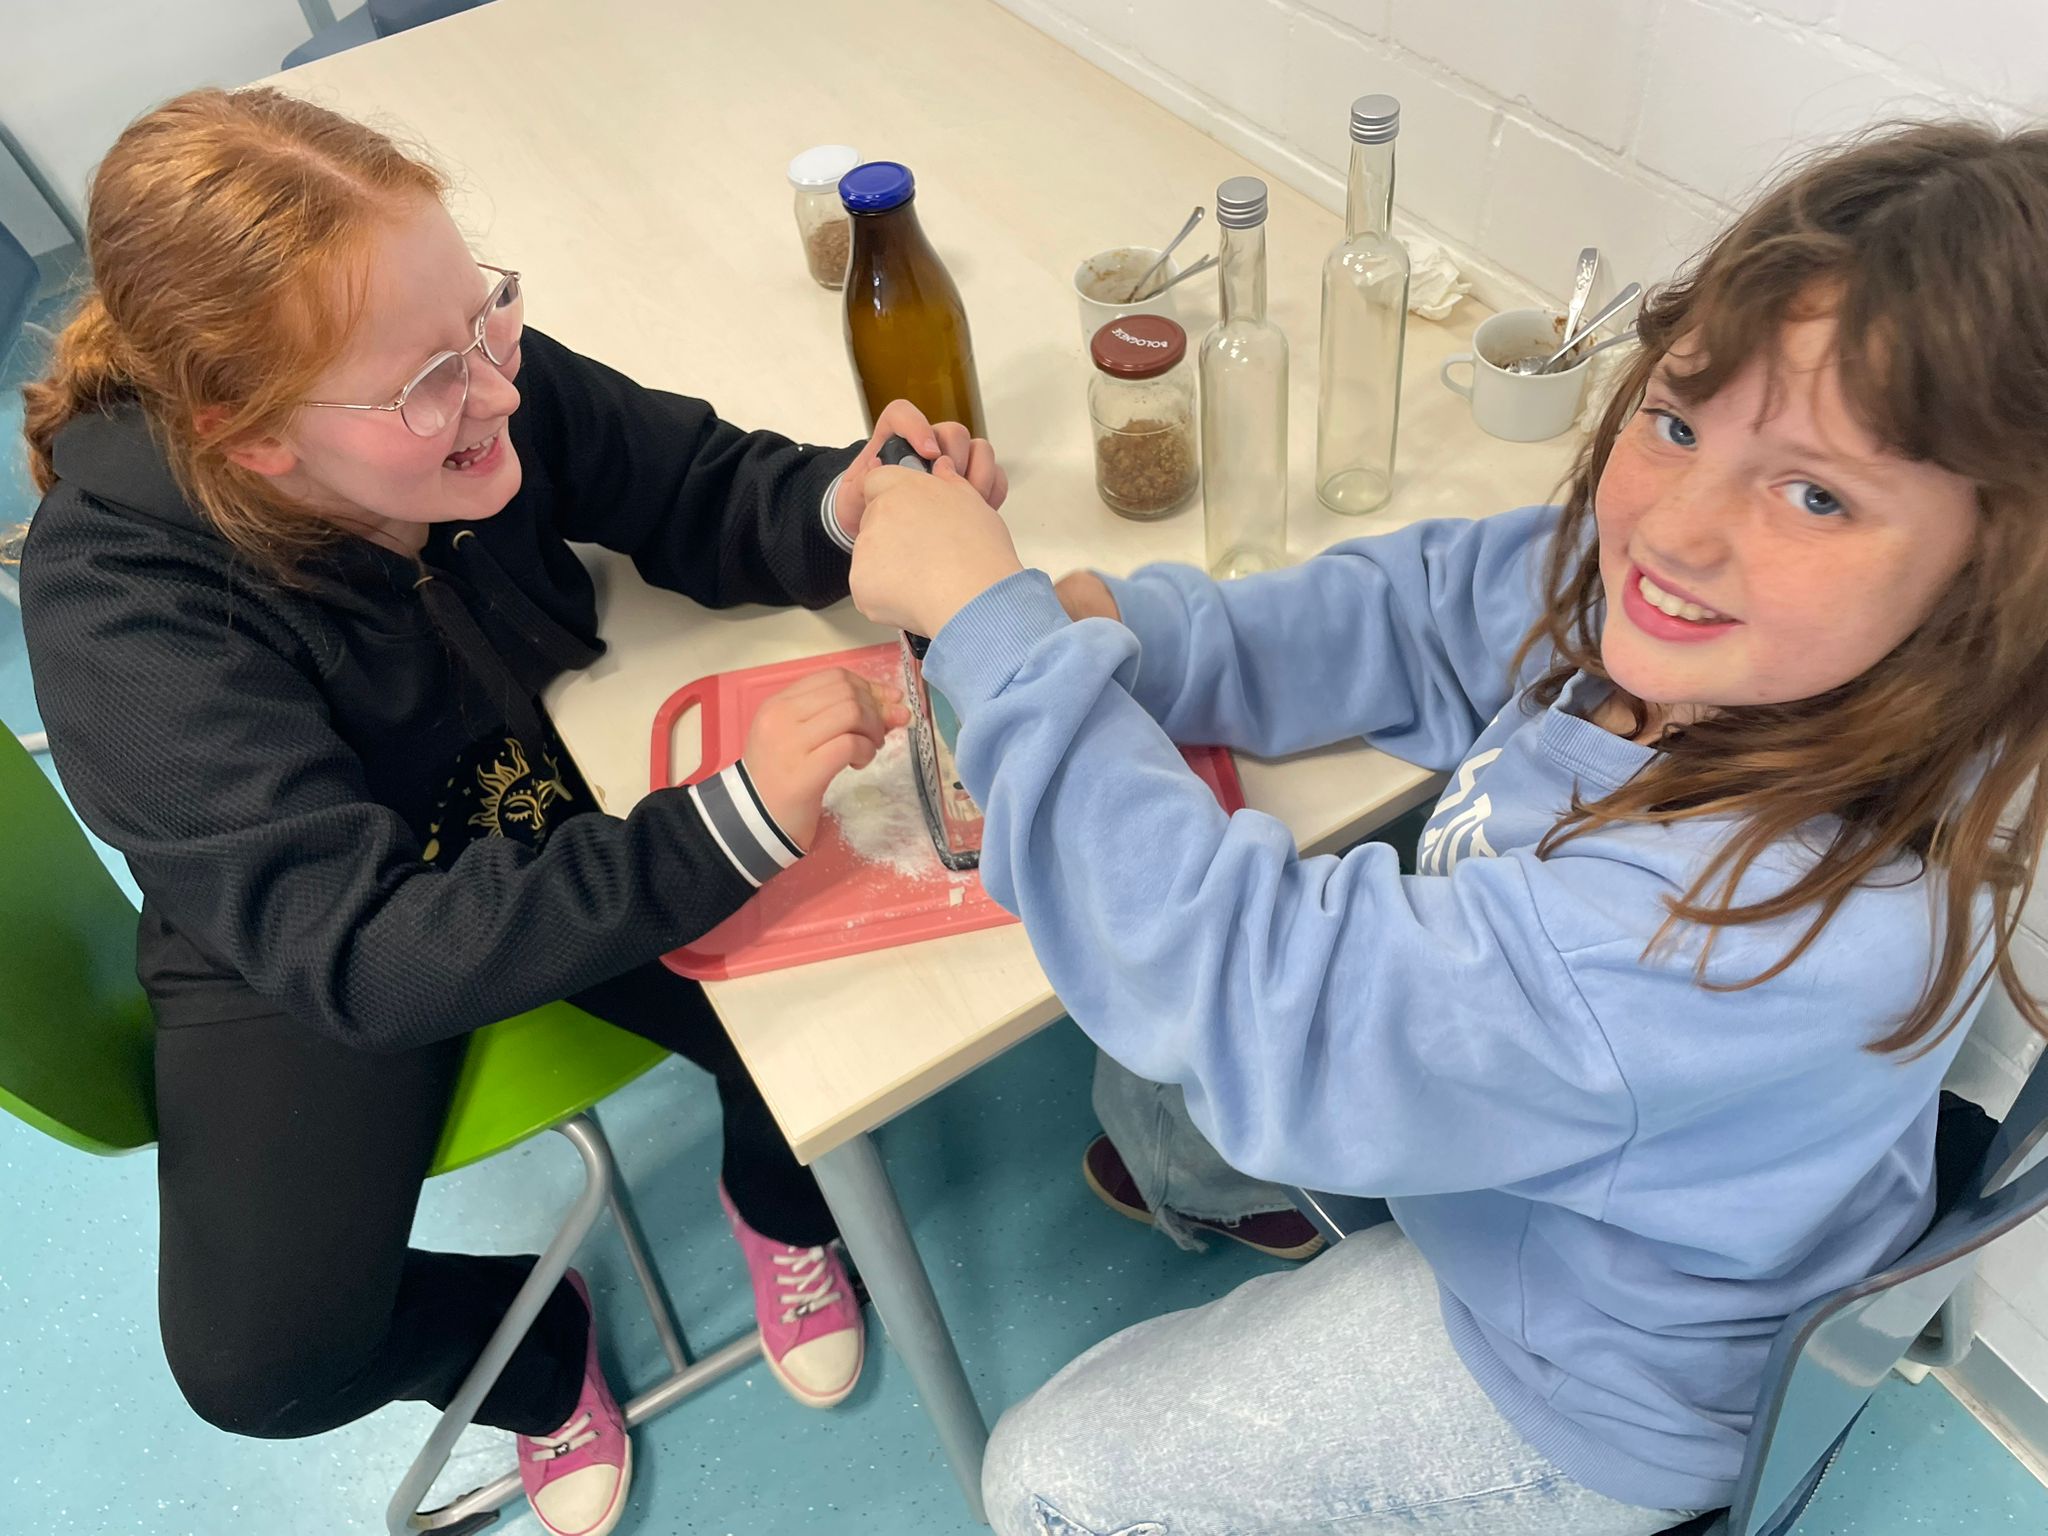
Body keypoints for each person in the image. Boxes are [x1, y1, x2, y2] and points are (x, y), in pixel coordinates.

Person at [848, 119, 2048, 1535]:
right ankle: (1255, 1182)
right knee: (1151, 1073)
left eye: (1817, 494)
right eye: (1677, 420)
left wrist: (998, 641)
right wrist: (1146, 638)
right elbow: (1421, 614)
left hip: (1582, 1374)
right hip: (1563, 1160)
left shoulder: (1755, 926)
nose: (1677, 528)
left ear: (1995, 576)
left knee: (1044, 1479)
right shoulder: (1694, 612)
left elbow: (1279, 1000)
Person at [18, 87, 1004, 1536]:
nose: (492, 388)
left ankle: (784, 1199)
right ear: (252, 437)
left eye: (486, 313)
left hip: (538, 805)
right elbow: (362, 956)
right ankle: (532, 1357)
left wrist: (837, 509)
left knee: (809, 1015)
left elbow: (685, 479)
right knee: (260, 1366)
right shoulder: (124, 612)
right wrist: (724, 825)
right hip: (317, 927)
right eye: (430, 380)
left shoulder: (450, 364)